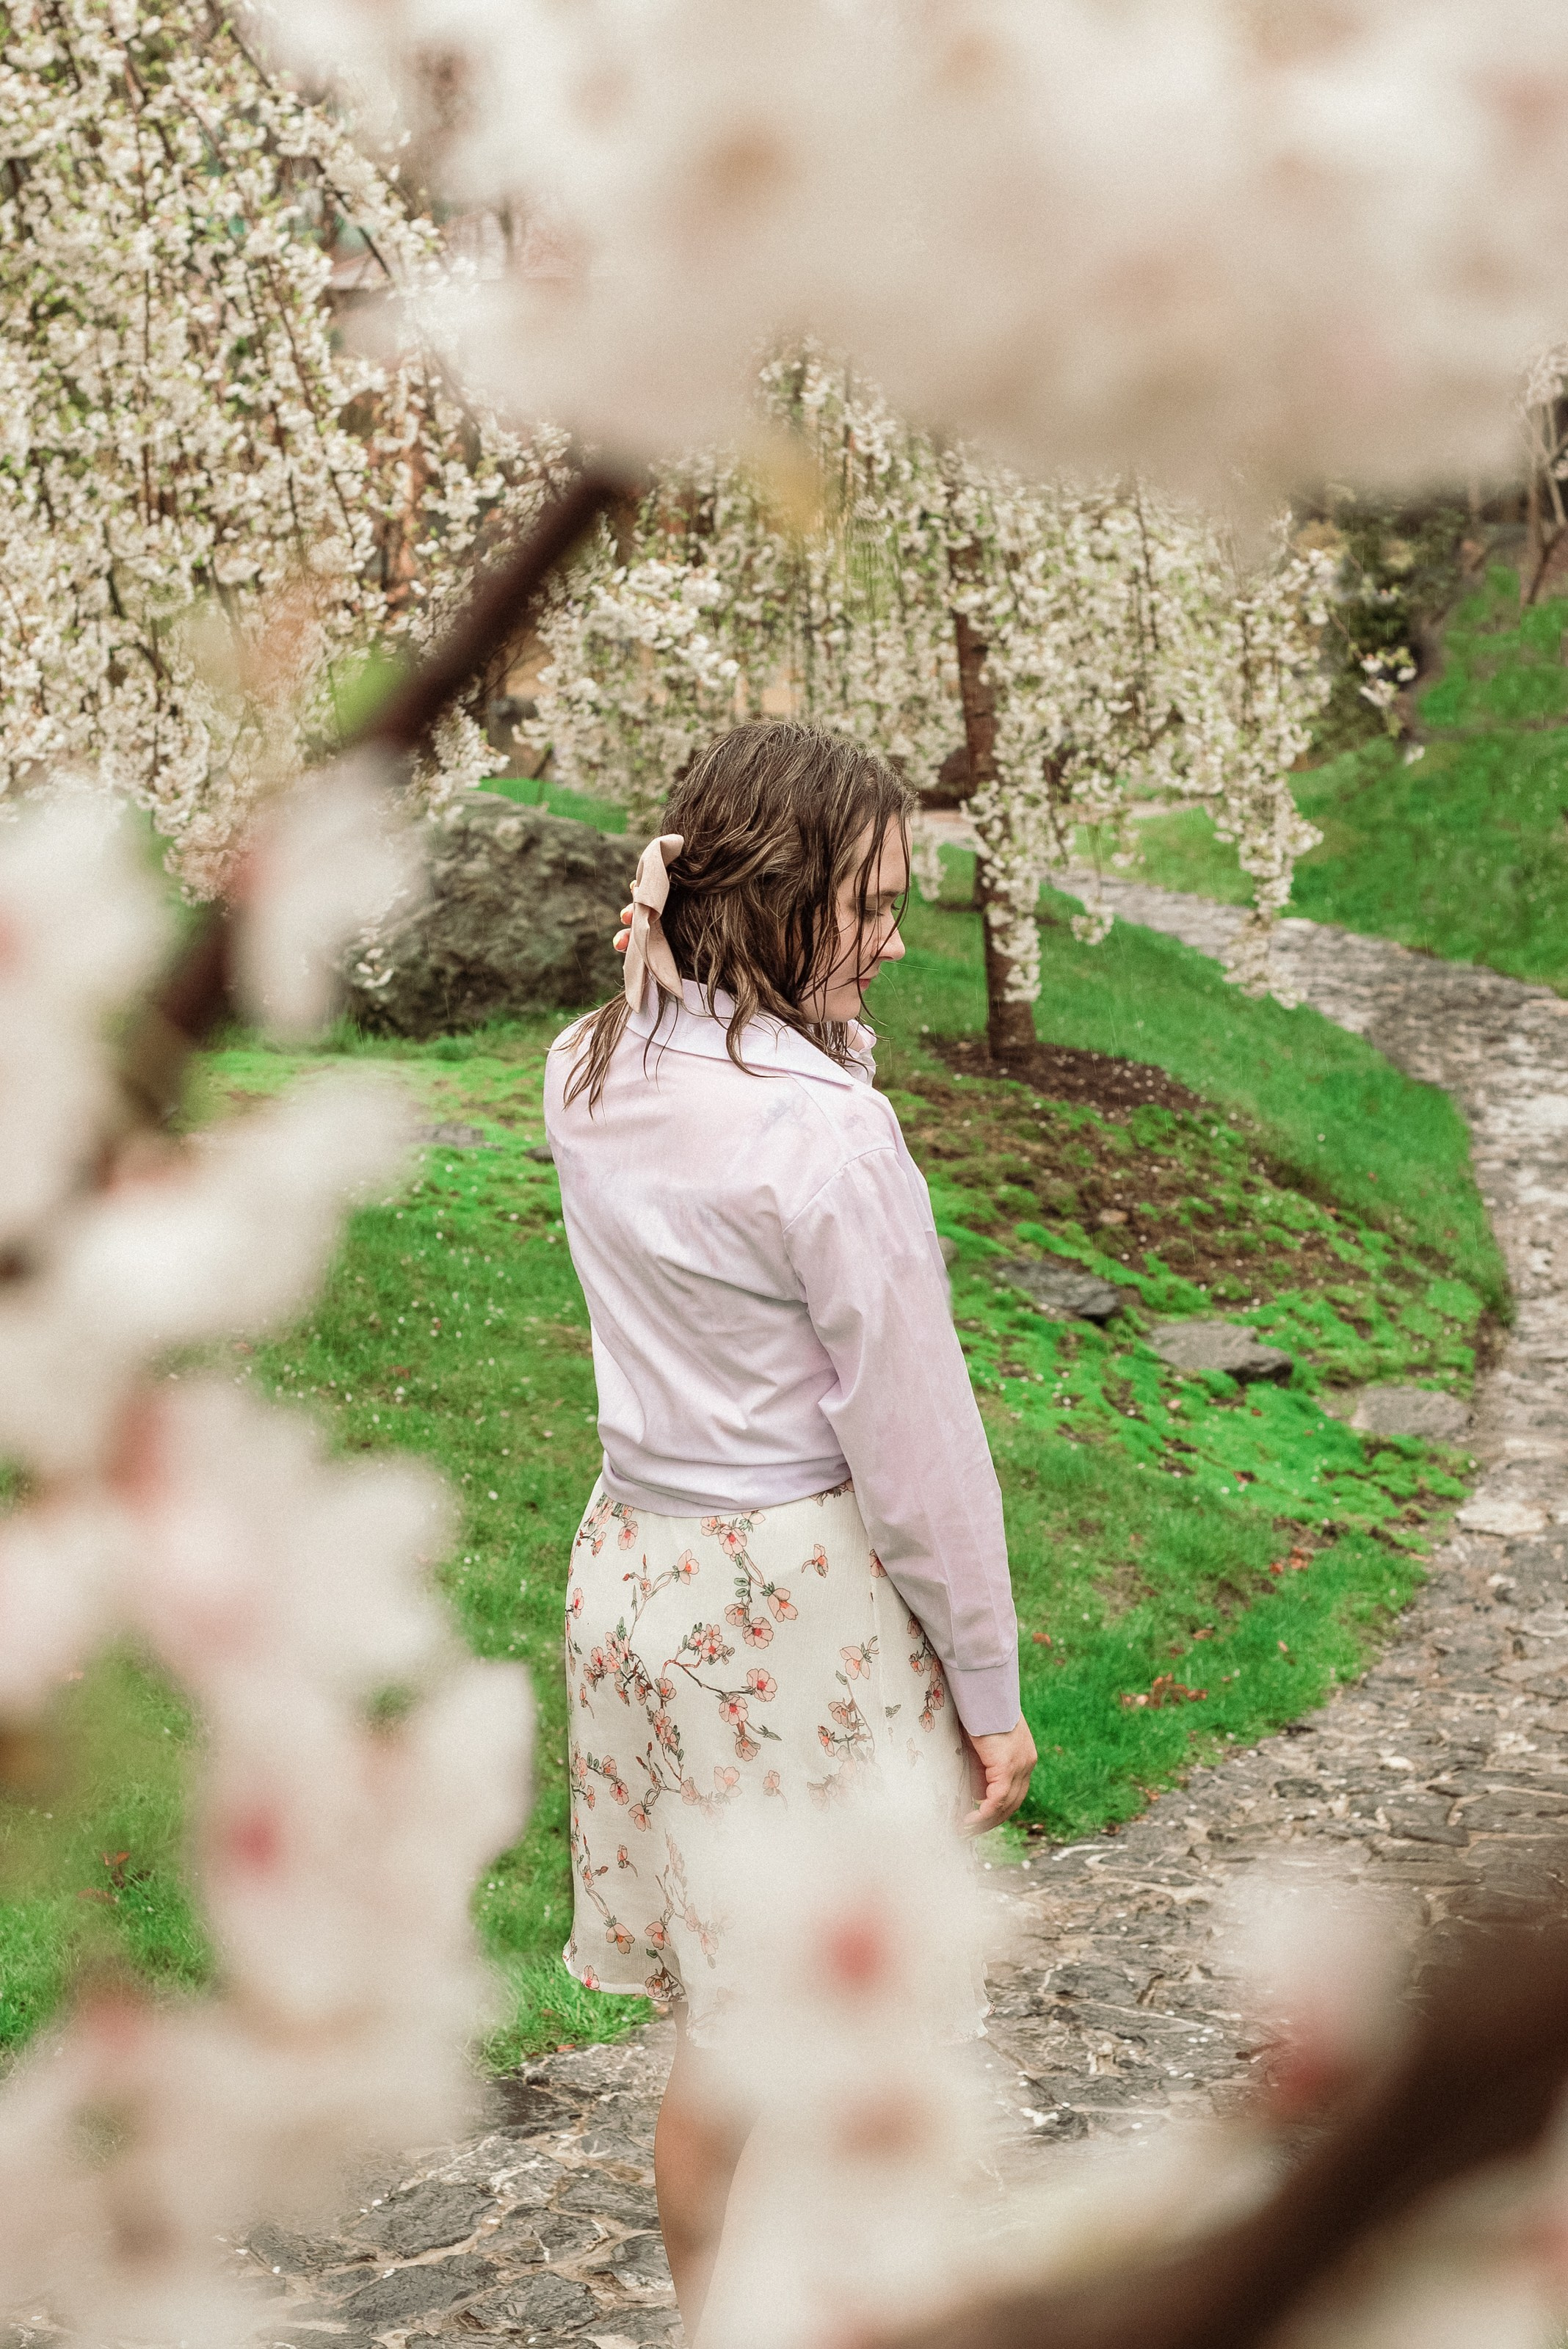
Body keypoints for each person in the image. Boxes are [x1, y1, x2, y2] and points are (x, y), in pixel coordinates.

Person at [543, 720, 1034, 2328]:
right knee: (845, 2026)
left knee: (725, 2031)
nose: (898, 936)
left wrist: (702, 989)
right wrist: (990, 1685)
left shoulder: (587, 1069)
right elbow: (917, 1446)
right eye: (874, 903)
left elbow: (682, 1047)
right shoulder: (822, 1133)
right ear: (772, 896)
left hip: (640, 1579)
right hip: (789, 1605)